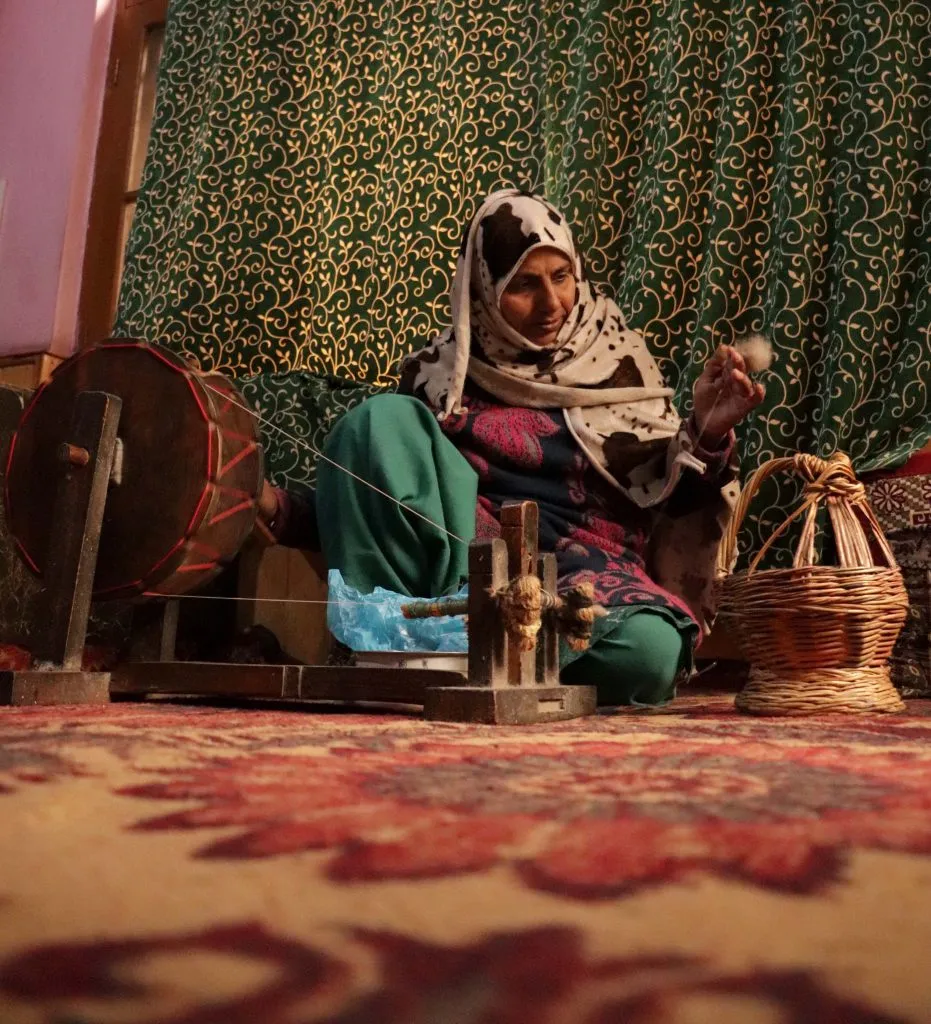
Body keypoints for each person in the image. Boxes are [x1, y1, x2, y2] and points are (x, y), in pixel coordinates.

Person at [258, 189, 764, 706]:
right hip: (460, 580)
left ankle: (458, 663)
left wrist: (707, 428)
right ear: (483, 289)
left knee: (649, 653)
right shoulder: (441, 378)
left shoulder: (621, 364)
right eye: (525, 284)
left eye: (561, 277)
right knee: (376, 423)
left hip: (583, 583)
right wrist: (284, 512)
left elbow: (671, 504)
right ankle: (407, 655)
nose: (551, 304)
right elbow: (383, 500)